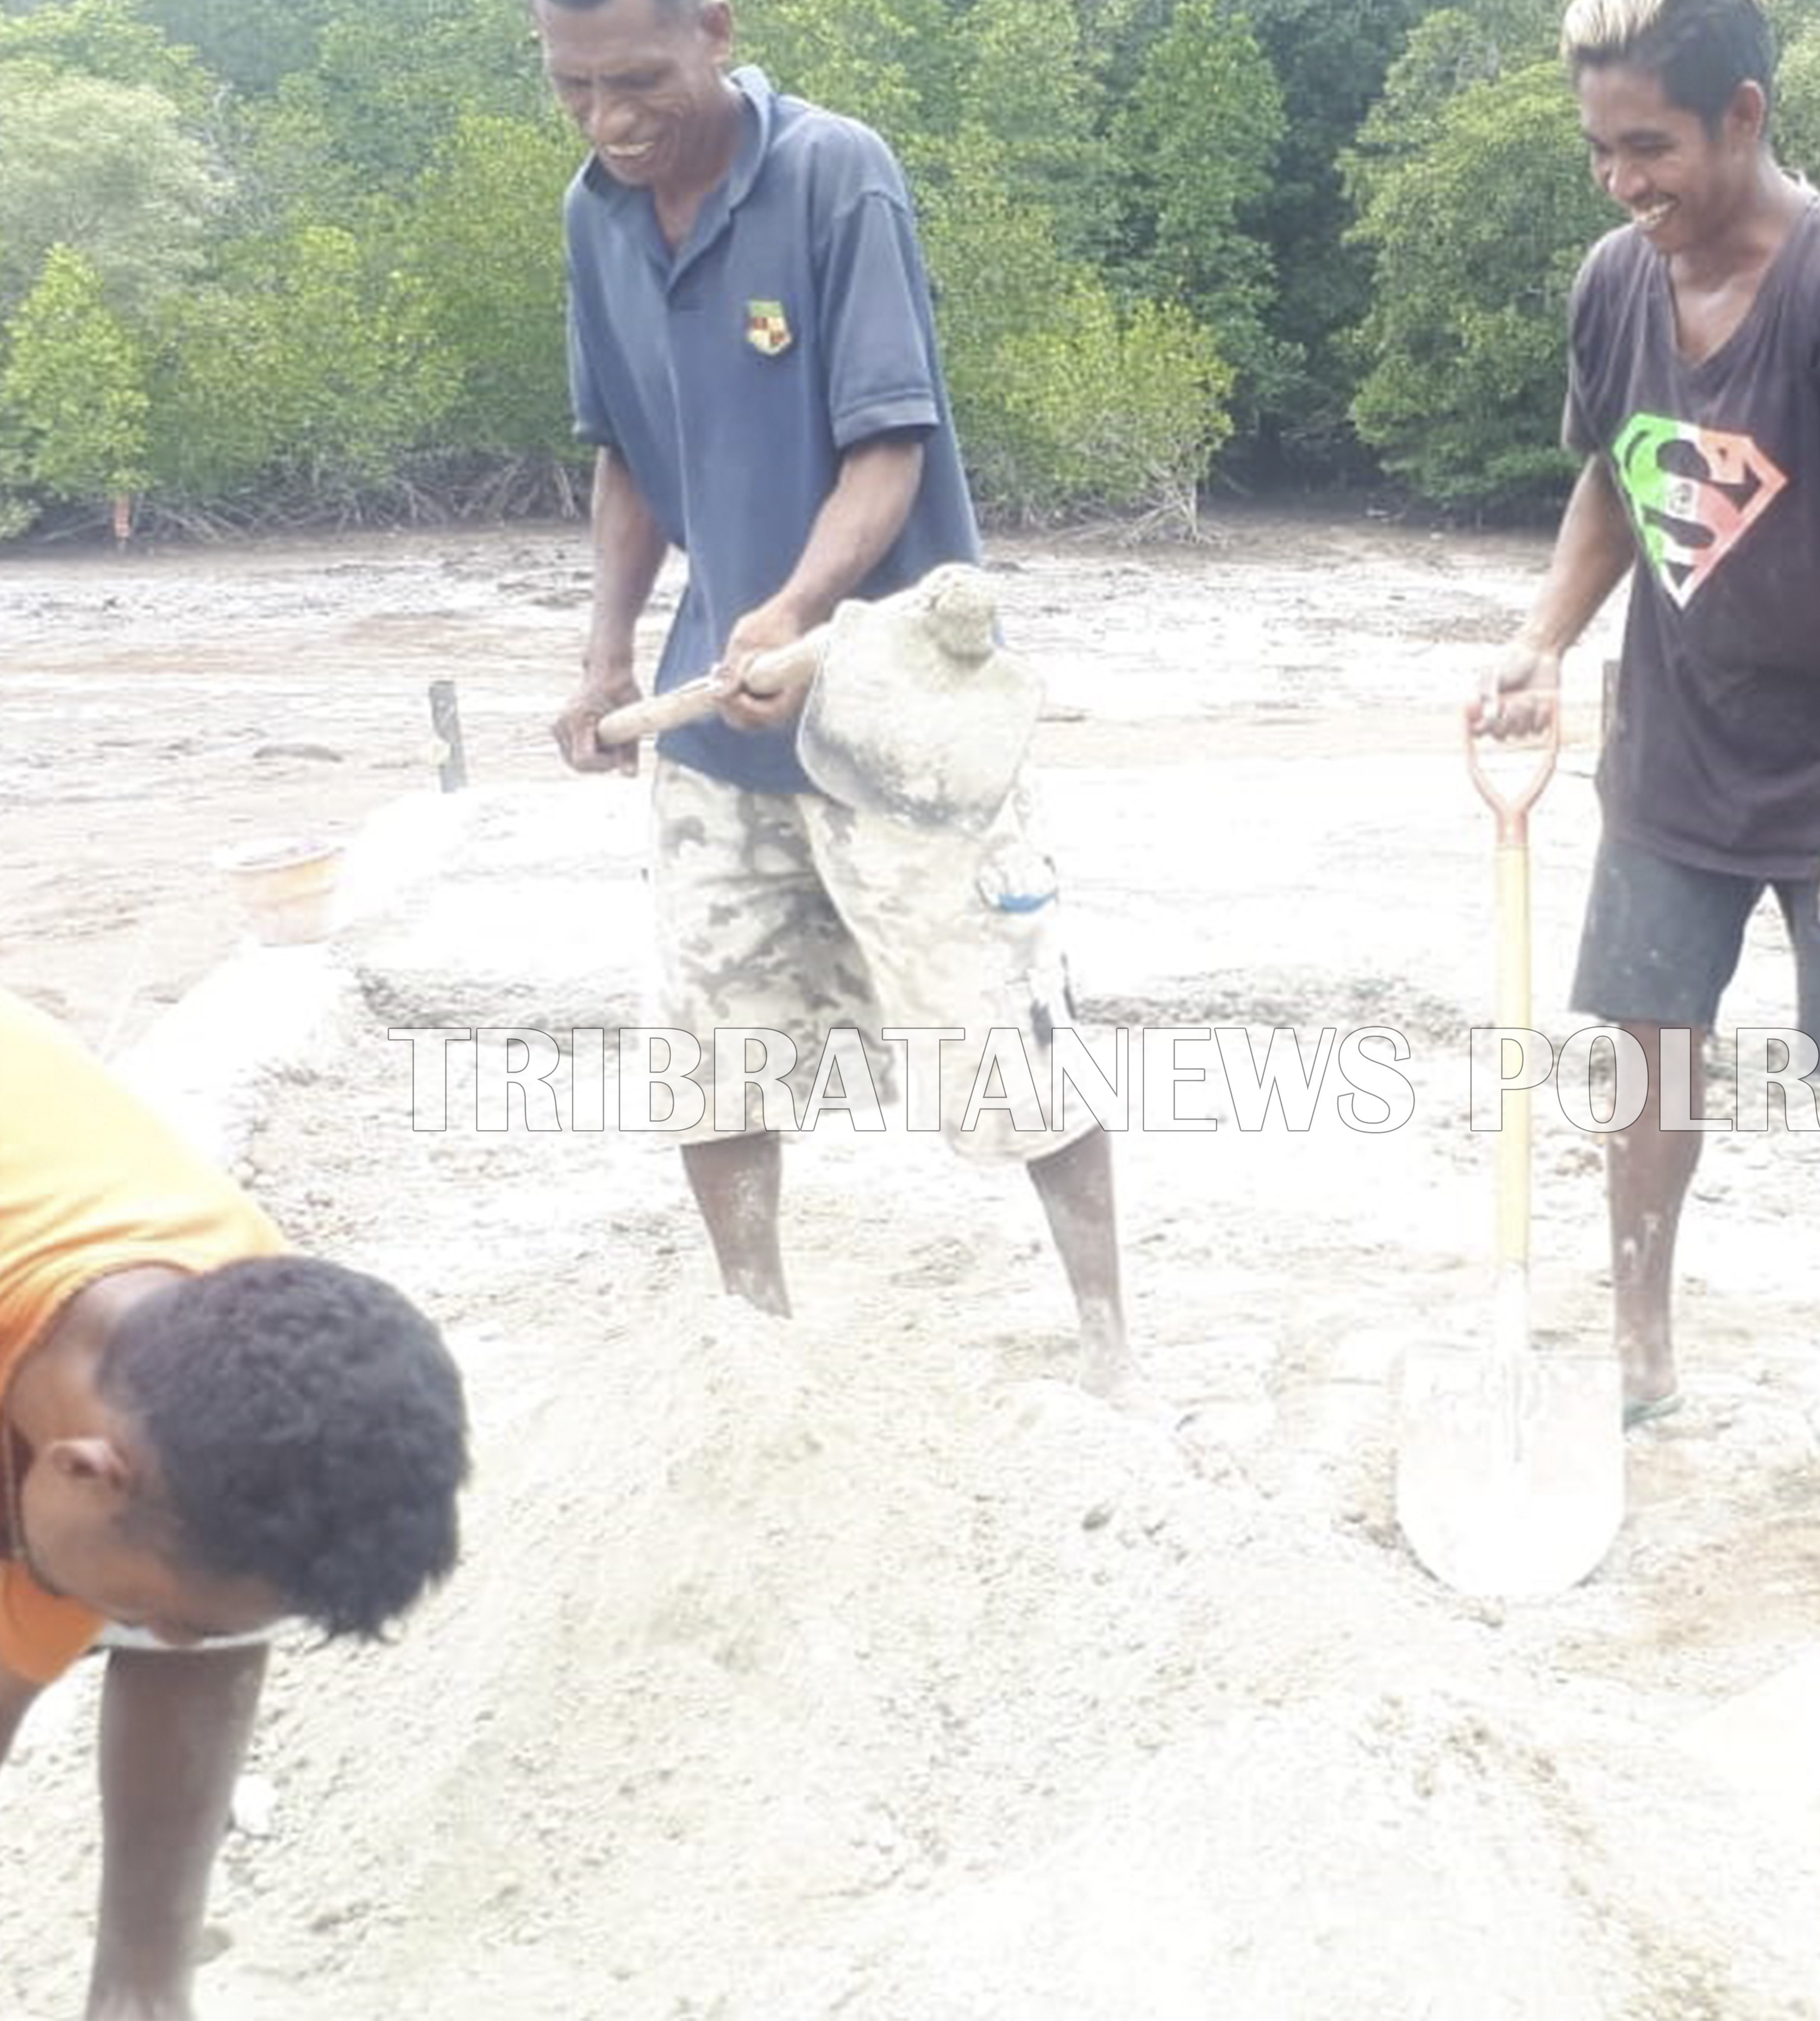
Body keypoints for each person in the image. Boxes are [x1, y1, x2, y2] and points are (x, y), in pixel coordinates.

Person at [533, 0, 1128, 1388]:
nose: (611, 121)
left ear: (715, 30)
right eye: (576, 90)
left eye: (640, 81)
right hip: (717, 723)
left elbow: (889, 447)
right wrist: (608, 651)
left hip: (899, 718)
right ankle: (757, 1340)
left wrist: (798, 615)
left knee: (1001, 1036)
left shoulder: (834, 172)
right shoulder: (595, 214)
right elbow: (625, 452)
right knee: (713, 1045)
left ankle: (1107, 1345)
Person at [1472, 0, 1820, 1449]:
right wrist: (1540, 641)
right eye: (1600, 152)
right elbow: (1618, 481)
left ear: (1743, 117)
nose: (1626, 183)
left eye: (1652, 147)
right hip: (1676, 750)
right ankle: (1639, 1345)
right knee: (1648, 1054)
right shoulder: (1616, 284)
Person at [0, 987, 470, 2020]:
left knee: (197, 1576)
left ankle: (139, 1996)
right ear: (82, 1468)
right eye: (161, 1613)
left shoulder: (238, 1302)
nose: (160, 1638)